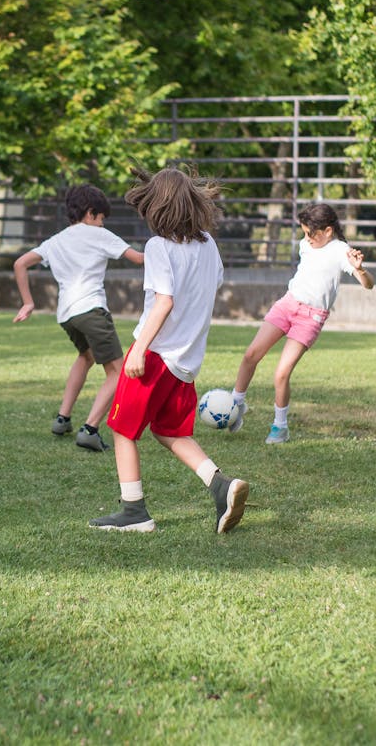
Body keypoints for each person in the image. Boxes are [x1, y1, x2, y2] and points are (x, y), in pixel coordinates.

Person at [89, 165, 249, 534]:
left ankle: (134, 512)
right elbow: (214, 283)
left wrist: (140, 350)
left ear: (157, 208)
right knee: (169, 431)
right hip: (186, 362)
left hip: (155, 355)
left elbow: (164, 302)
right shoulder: (208, 245)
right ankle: (222, 486)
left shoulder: (159, 247)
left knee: (122, 430)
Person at [13, 185, 144, 452]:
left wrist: (28, 302)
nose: (102, 222)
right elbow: (139, 259)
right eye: (101, 217)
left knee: (86, 356)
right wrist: (168, 247)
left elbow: (20, 263)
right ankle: (90, 429)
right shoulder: (99, 235)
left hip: (67, 314)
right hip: (92, 309)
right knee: (119, 373)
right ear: (90, 213)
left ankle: (62, 419)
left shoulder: (57, 240)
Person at [229, 202, 374, 444]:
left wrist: (361, 269)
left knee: (281, 373)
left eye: (310, 233)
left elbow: (369, 284)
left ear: (328, 231)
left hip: (312, 316)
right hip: (288, 304)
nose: (306, 238)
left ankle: (280, 426)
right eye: (304, 232)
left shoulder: (341, 251)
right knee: (251, 354)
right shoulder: (305, 245)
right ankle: (235, 405)